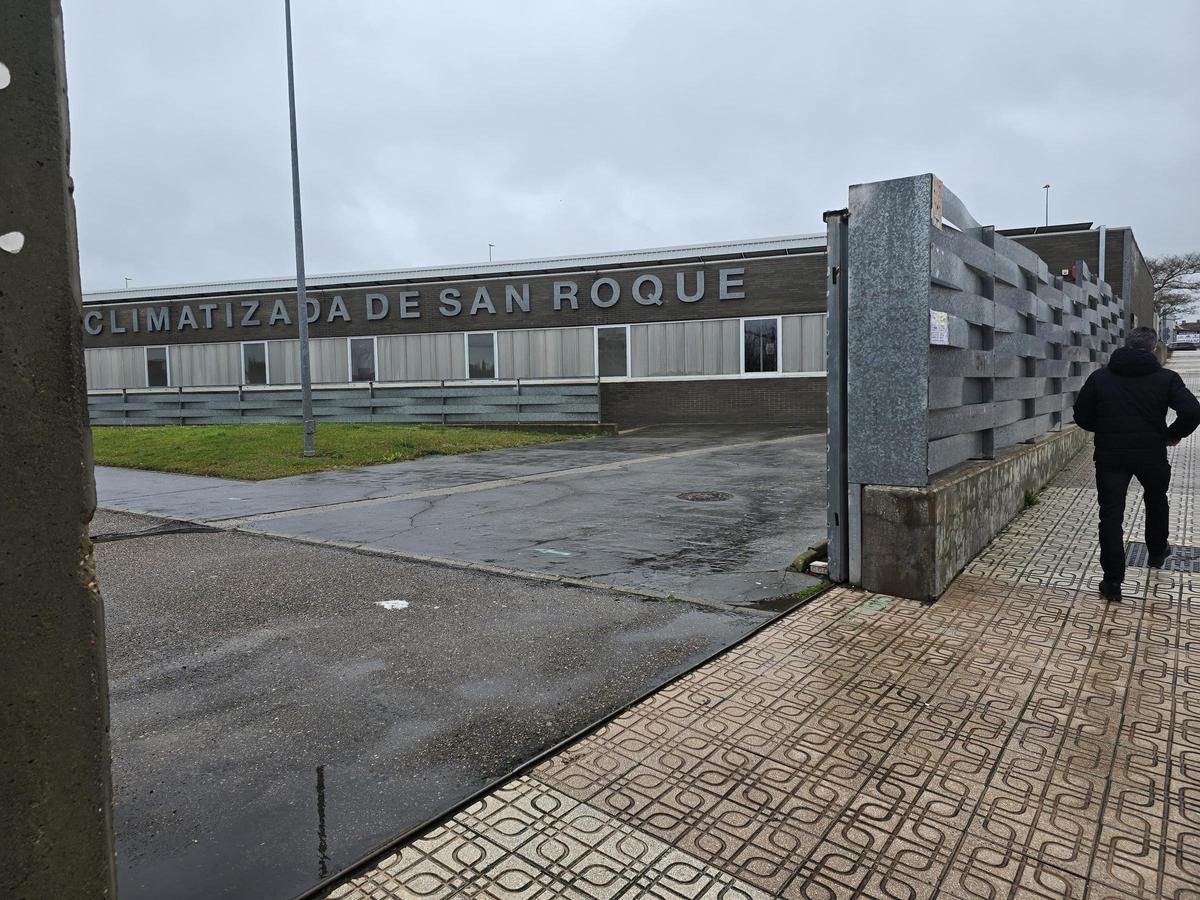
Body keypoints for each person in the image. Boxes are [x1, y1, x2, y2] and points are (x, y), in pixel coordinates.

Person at [1073, 326, 1200, 601]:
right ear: (1154, 348)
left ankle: (1113, 582)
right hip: (1151, 454)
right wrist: (1172, 434)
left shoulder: (1100, 378)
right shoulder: (1166, 378)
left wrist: (1106, 429)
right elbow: (1192, 411)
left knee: (1110, 515)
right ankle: (1156, 552)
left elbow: (1081, 416)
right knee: (1156, 499)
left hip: (1110, 456)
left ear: (1126, 345)